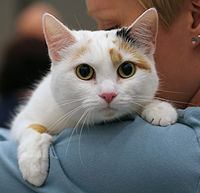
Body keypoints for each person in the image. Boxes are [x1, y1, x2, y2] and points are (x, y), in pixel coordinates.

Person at [0, 0, 199, 193]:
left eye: (112, 26)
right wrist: (32, 136)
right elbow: (24, 123)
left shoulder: (177, 155)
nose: (108, 93)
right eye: (85, 72)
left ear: (195, 19)